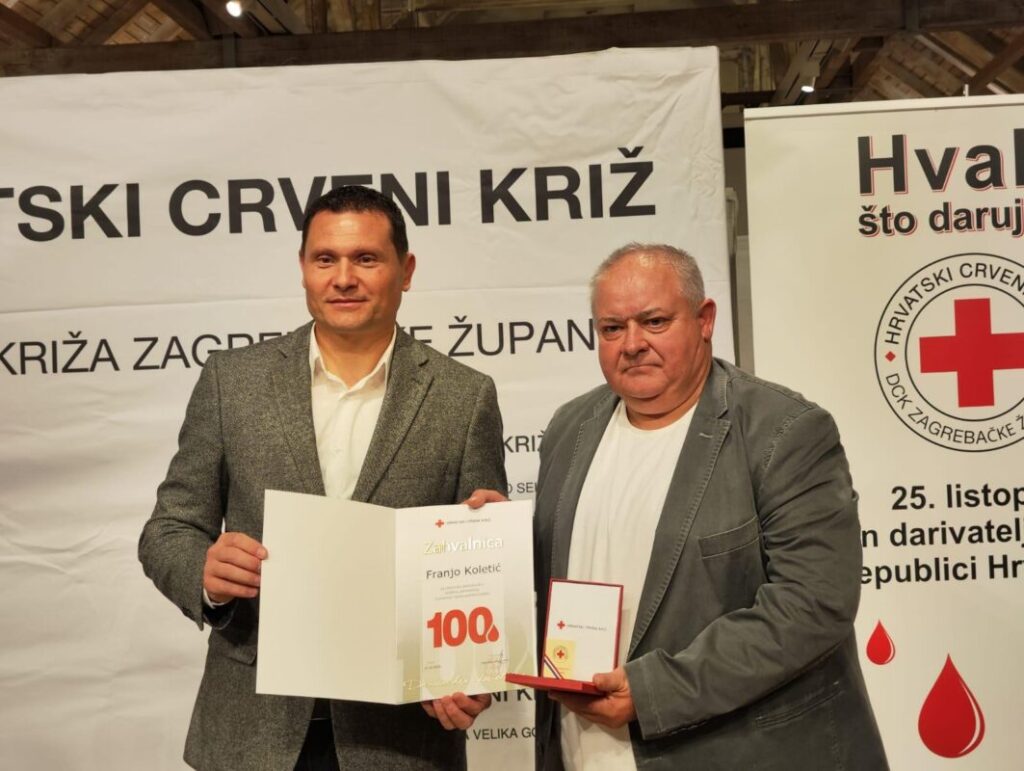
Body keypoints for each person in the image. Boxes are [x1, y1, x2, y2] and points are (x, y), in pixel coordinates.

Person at [139, 185, 505, 771]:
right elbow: (170, 529)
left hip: (400, 739)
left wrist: (470, 664)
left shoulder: (465, 398)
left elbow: (474, 572)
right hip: (251, 732)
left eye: (366, 259)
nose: (343, 278)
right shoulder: (233, 381)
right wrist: (205, 574)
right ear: (304, 268)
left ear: (406, 270)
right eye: (325, 259)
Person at [531, 244, 888, 769]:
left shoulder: (784, 431)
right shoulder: (571, 426)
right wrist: (487, 540)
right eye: (611, 328)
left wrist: (652, 691)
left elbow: (814, 603)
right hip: (583, 752)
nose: (632, 344)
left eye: (654, 321)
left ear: (704, 320)